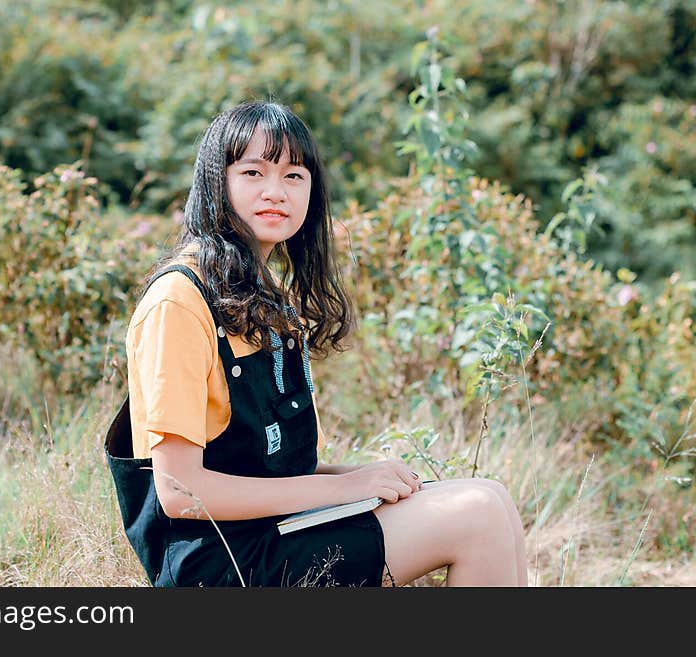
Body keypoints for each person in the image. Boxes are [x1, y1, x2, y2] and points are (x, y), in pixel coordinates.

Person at [104, 100, 527, 587]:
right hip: (219, 565)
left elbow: (263, 469)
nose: (274, 192)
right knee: (476, 517)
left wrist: (358, 478)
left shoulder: (260, 293)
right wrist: (346, 487)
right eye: (253, 172)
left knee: (491, 496)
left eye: (293, 176)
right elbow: (180, 491)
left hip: (273, 534)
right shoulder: (180, 299)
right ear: (216, 183)